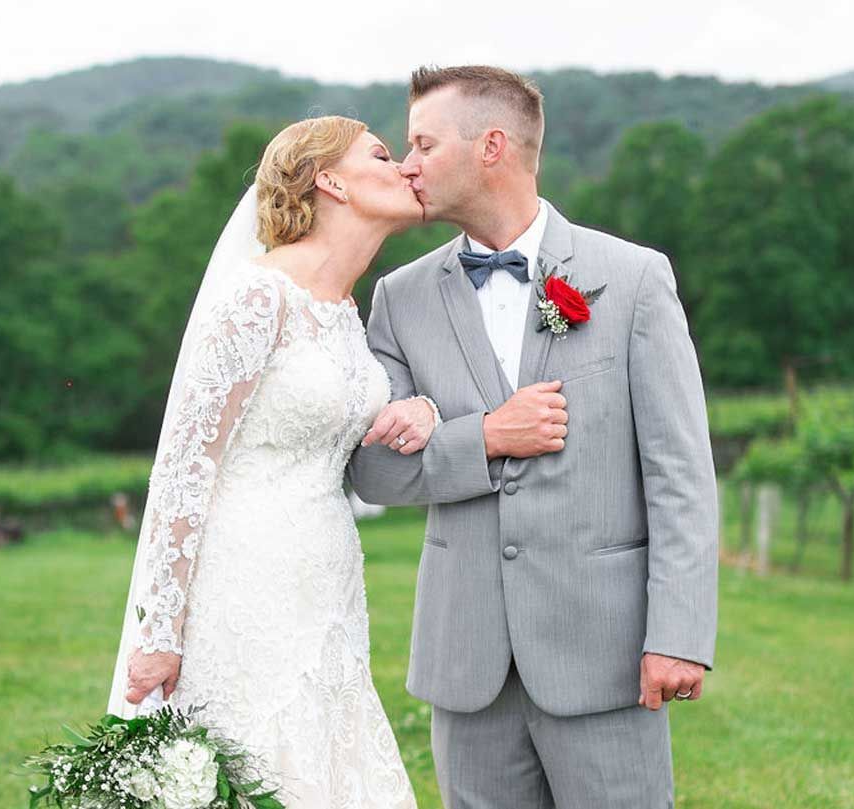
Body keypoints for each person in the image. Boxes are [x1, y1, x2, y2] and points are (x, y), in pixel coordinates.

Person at [347, 65, 719, 809]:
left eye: (423, 143)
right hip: (467, 664)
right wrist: (484, 437)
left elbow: (680, 472)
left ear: (491, 146)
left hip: (604, 654)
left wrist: (677, 631)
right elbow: (373, 475)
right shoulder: (399, 297)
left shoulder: (633, 279)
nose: (407, 162)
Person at [107, 115, 438, 808]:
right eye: (382, 154)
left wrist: (421, 412)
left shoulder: (347, 309)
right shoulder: (259, 296)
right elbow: (183, 467)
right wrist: (159, 632)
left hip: (327, 577)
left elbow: (341, 426)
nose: (406, 166)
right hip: (242, 580)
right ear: (329, 180)